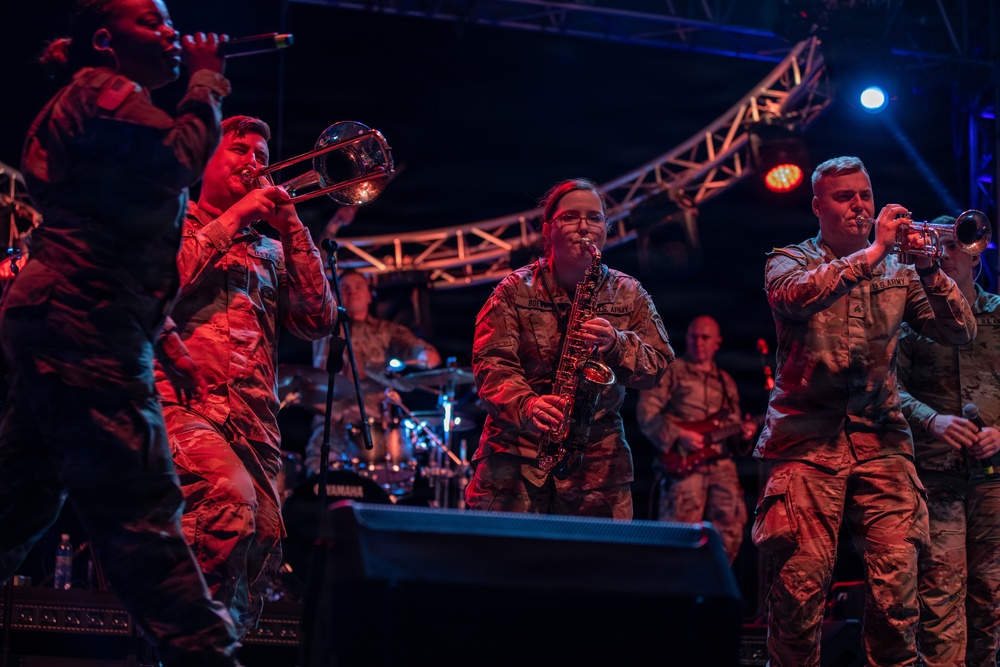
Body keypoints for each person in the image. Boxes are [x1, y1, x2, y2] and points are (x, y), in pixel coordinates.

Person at [0, 1, 242, 665]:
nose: (170, 31)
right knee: (141, 513)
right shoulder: (105, 94)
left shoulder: (103, 99)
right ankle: (207, 654)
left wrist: (164, 336)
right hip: (83, 327)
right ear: (105, 41)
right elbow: (177, 159)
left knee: (17, 504)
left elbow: (107, 231)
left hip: (66, 316)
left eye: (171, 21)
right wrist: (206, 83)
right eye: (151, 21)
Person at [751, 156, 977, 666]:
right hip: (805, 443)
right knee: (798, 596)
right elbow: (796, 299)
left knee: (898, 596)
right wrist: (875, 250)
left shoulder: (902, 268)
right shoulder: (789, 260)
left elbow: (960, 332)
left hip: (883, 440)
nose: (859, 206)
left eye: (864, 195)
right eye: (844, 196)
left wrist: (927, 267)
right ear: (817, 206)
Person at [154, 115, 338, 638]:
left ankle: (215, 647)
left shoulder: (271, 250)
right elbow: (158, 285)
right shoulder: (168, 222)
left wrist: (294, 228)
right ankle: (182, 644)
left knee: (263, 542)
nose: (254, 161)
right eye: (239, 150)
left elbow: (316, 319)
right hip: (180, 409)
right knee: (227, 503)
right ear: (203, 159)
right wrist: (233, 217)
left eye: (261, 152)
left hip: (254, 427)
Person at [464, 177, 675, 519]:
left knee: (594, 569)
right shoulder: (513, 290)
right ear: (547, 231)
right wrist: (527, 404)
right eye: (570, 217)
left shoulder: (628, 292)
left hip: (597, 464)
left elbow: (659, 364)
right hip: (514, 459)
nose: (584, 227)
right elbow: (491, 364)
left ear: (605, 229)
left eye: (594, 218)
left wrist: (616, 344)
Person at [896, 214, 1000, 667]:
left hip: (993, 481)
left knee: (990, 599)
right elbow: (885, 387)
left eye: (955, 246)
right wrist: (930, 419)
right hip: (935, 476)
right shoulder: (910, 318)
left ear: (976, 256)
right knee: (940, 599)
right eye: (937, 247)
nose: (947, 255)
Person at [636, 315, 756, 563]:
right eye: (693, 336)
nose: (698, 342)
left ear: (717, 342)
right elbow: (647, 412)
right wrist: (679, 434)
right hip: (684, 467)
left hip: (721, 467)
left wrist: (744, 434)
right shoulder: (672, 372)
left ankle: (715, 591)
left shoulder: (726, 382)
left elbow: (732, 428)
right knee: (677, 534)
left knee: (730, 529)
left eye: (705, 337)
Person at [303, 269, 442, 479]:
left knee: (374, 484)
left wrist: (421, 357)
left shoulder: (387, 331)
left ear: (370, 295)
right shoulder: (321, 328)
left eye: (359, 287)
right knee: (317, 478)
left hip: (373, 426)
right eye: (345, 288)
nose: (352, 292)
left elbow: (428, 355)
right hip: (329, 423)